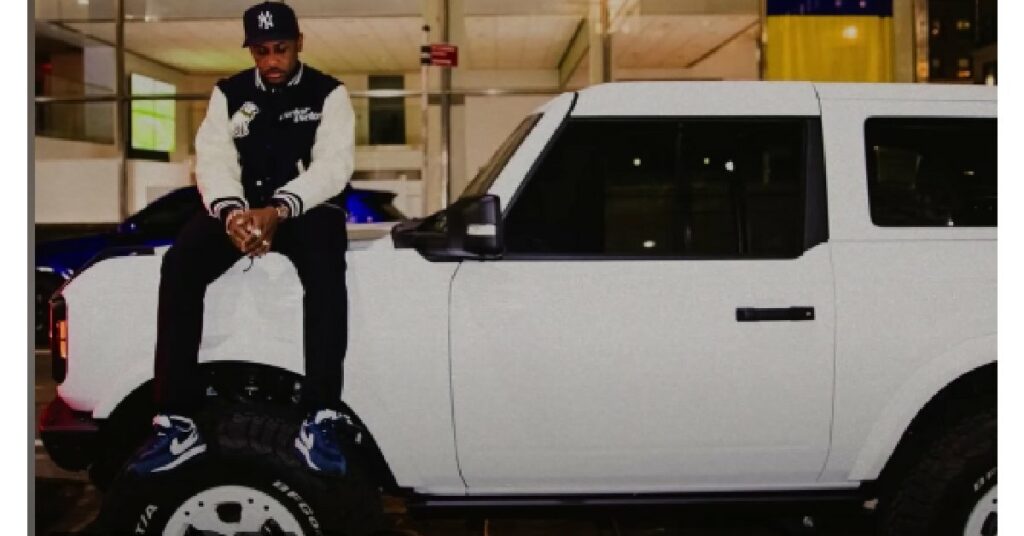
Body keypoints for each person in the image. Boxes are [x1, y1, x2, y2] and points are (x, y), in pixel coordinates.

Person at [127, 1, 355, 476]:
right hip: (240, 207)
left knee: (327, 263)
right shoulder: (227, 92)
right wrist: (231, 214)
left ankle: (321, 414)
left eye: (281, 49)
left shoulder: (329, 93)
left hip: (304, 207)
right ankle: (177, 421)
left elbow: (333, 166)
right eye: (261, 51)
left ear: (298, 44)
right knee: (182, 262)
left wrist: (280, 209)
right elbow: (212, 159)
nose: (271, 61)